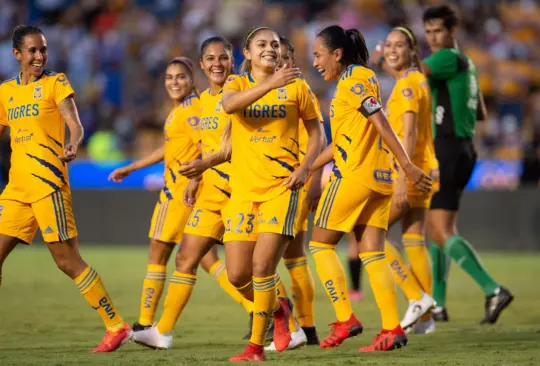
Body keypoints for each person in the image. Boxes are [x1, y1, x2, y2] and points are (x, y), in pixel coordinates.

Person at [373, 5, 513, 324]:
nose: (434, 37)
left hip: (446, 147)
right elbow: (481, 113)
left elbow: (413, 70)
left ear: (452, 32)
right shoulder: (469, 64)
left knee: (438, 231)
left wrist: (383, 56)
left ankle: (492, 289)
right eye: (430, 31)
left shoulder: (445, 58)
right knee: (437, 230)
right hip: (463, 147)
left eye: (439, 31)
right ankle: (439, 302)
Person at [0, 25, 131, 353]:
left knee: (66, 260)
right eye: (32, 51)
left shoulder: (55, 83)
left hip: (48, 183)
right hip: (17, 187)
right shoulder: (6, 92)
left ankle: (116, 325)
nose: (39, 56)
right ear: (17, 54)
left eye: (42, 49)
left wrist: (72, 144)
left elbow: (75, 123)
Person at [310, 25, 431, 352]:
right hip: (377, 179)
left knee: (320, 246)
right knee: (372, 252)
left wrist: (407, 165)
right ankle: (391, 328)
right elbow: (341, 140)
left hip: (355, 175)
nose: (316, 62)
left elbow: (381, 121)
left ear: (337, 53)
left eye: (319, 55)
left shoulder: (354, 80)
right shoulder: (356, 81)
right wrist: (308, 167)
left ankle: (344, 316)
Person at [127, 39, 252, 349]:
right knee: (198, 259)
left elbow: (207, 146)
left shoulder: (222, 95)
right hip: (203, 188)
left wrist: (198, 174)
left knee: (169, 254)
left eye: (180, 77)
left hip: (204, 190)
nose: (174, 82)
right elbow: (183, 147)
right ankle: (161, 331)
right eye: (169, 77)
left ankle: (274, 313)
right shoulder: (199, 103)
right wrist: (134, 167)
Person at [223, 27, 322, 362]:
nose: (270, 48)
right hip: (242, 192)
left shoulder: (298, 86)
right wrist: (270, 84)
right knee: (238, 275)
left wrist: (306, 167)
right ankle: (280, 310)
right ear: (247, 53)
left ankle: (254, 349)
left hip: (282, 188)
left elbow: (316, 132)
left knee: (262, 266)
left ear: (282, 52)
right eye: (261, 44)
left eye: (275, 44)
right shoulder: (236, 83)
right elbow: (229, 106)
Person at [380, 26, 437, 333]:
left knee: (371, 234)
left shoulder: (405, 87)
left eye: (399, 45)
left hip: (409, 171)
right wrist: (383, 60)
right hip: (425, 167)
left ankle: (416, 297)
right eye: (388, 44)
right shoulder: (416, 80)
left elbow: (410, 133)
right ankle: (427, 317)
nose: (392, 49)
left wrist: (403, 178)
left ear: (413, 50)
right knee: (414, 239)